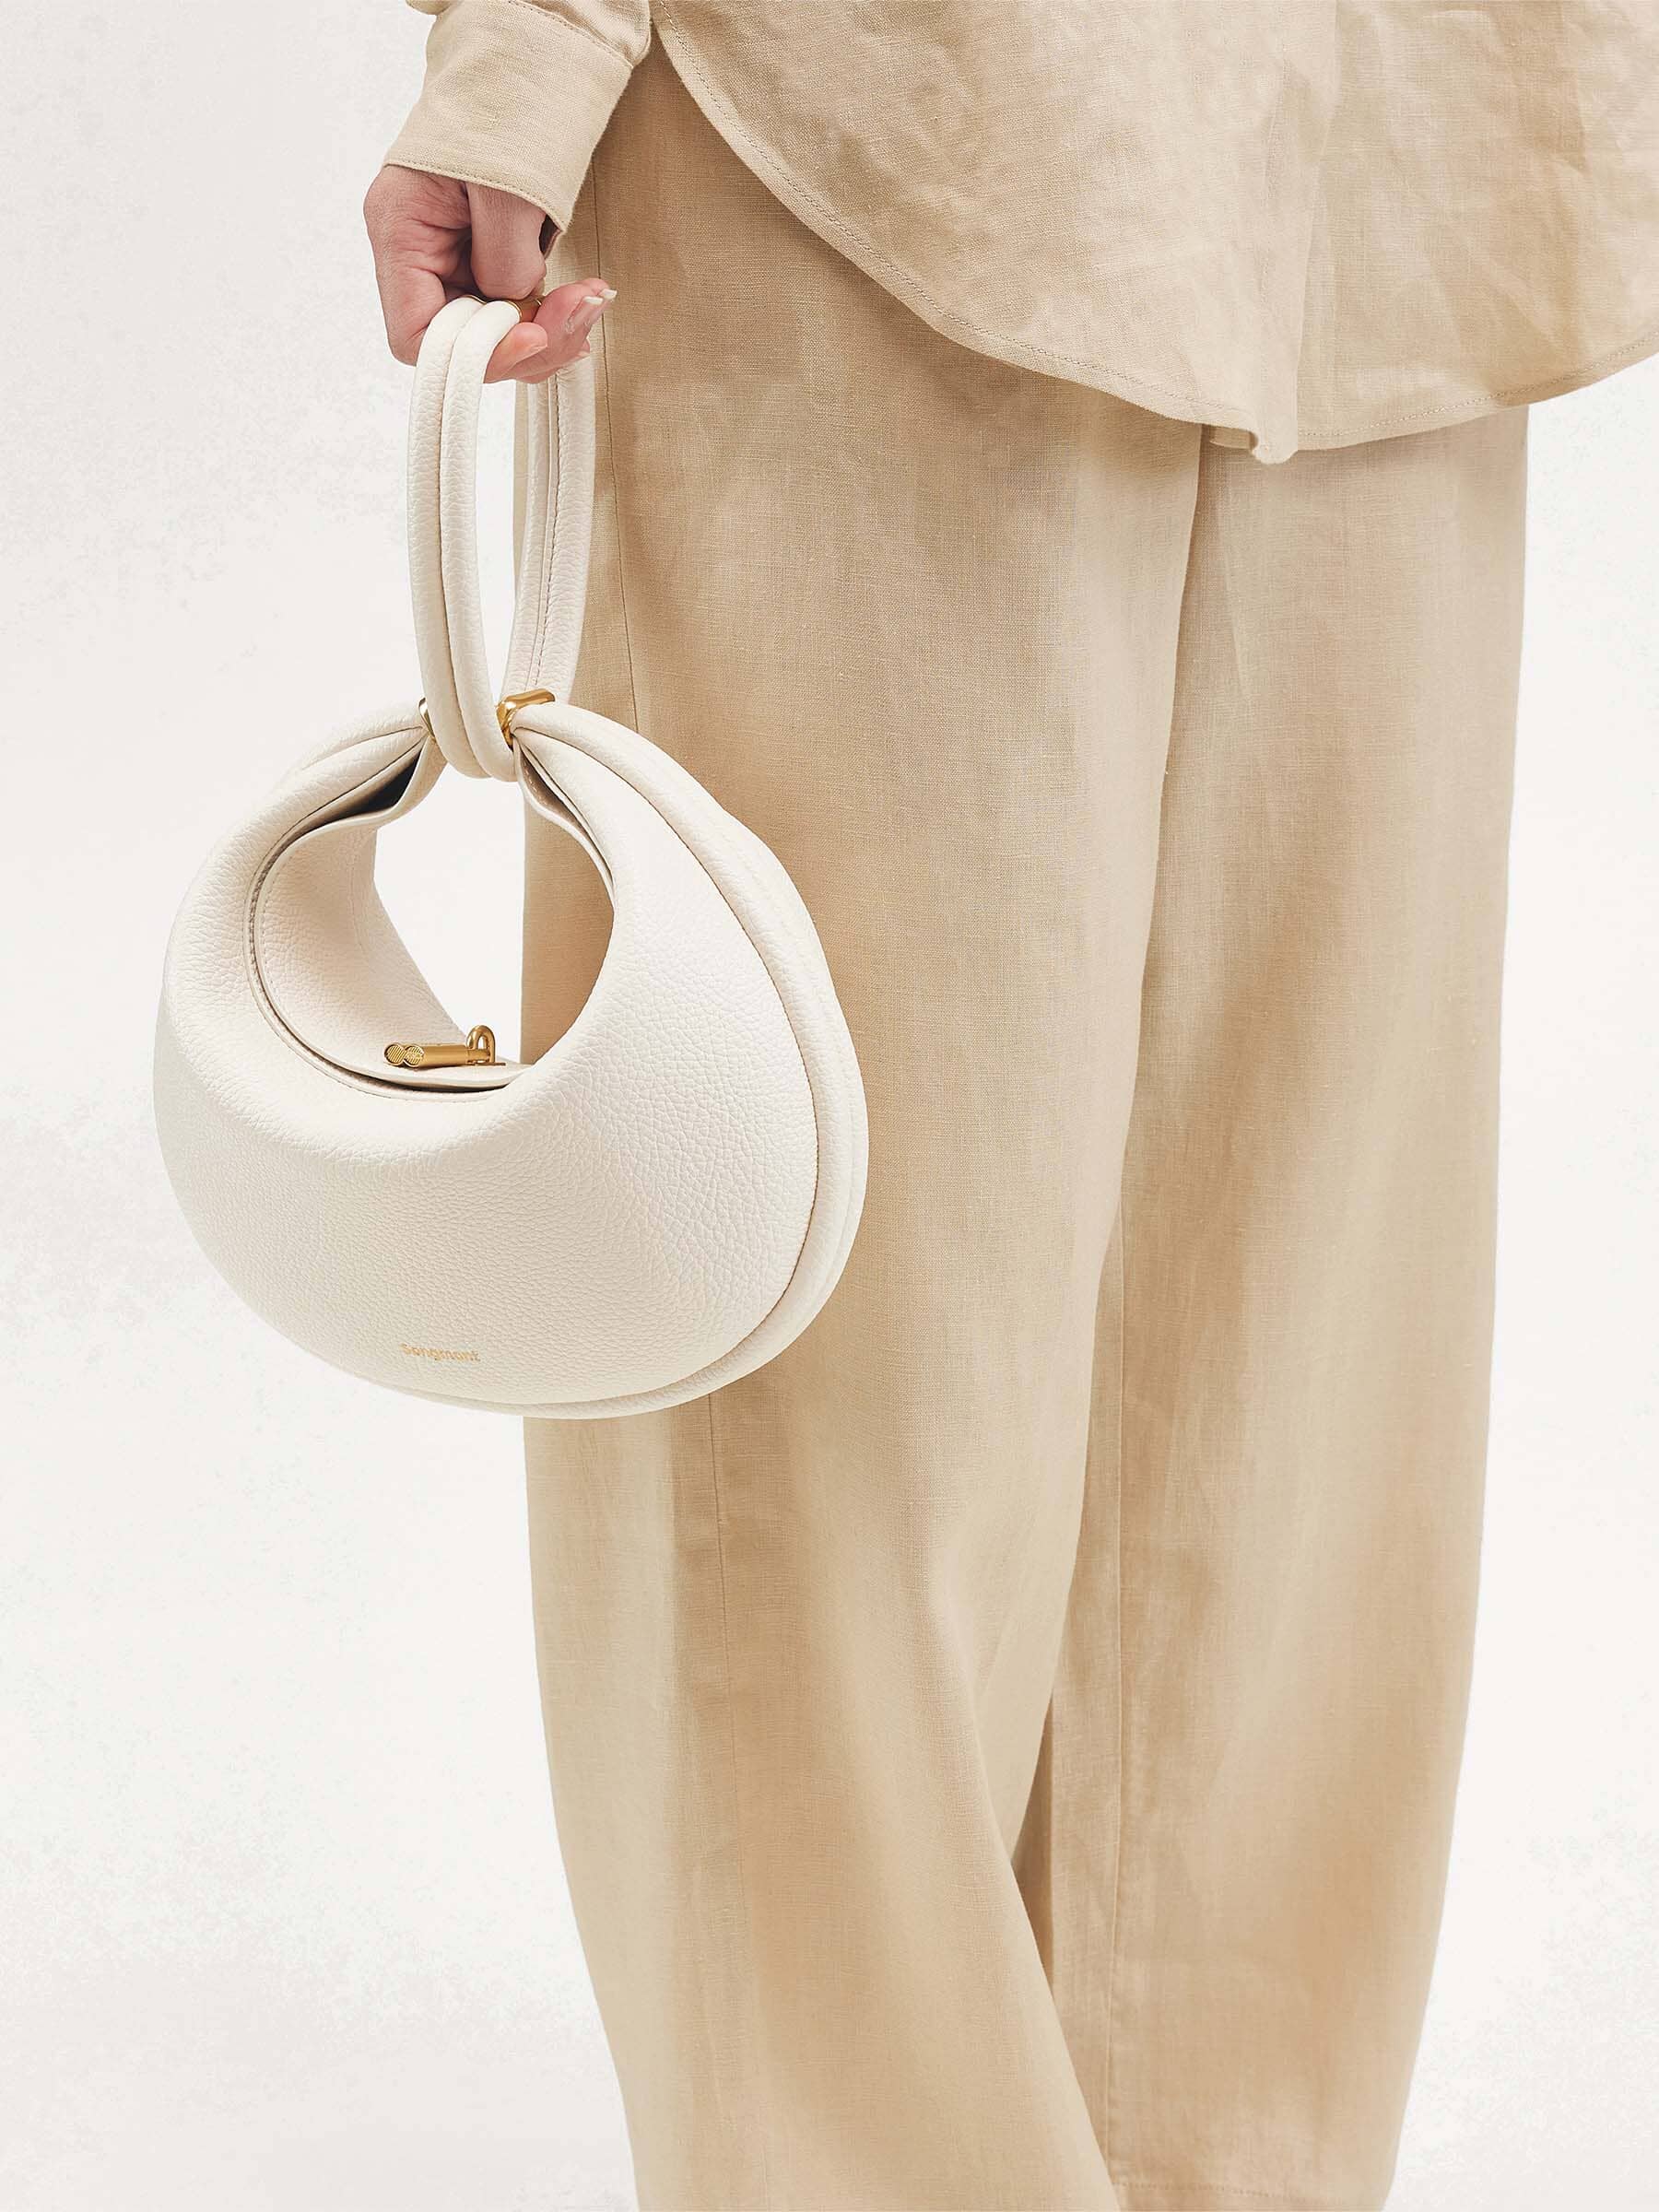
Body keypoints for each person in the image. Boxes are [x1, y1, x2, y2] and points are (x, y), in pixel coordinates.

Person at [363, 7, 1659, 2207]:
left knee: (876, 1321)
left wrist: (523, 51)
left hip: (1015, 115)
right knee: (1233, 1340)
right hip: (1375, 155)